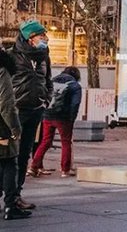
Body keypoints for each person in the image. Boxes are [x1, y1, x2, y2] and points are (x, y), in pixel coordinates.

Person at [9, 19, 51, 212]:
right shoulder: (12, 56)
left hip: (35, 110)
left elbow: (47, 80)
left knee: (24, 154)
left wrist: (46, 99)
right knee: (9, 156)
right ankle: (7, 194)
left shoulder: (44, 57)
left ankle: (16, 194)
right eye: (41, 36)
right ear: (30, 38)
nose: (45, 39)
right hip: (15, 111)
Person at [29, 65, 81, 177]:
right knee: (66, 142)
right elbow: (75, 104)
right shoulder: (75, 86)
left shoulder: (53, 81)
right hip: (64, 117)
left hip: (47, 115)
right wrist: (72, 118)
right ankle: (65, 170)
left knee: (45, 141)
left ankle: (34, 166)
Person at [0, 50, 30, 219]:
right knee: (10, 162)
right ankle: (10, 205)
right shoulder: (2, 70)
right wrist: (15, 128)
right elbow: (6, 104)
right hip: (2, 126)